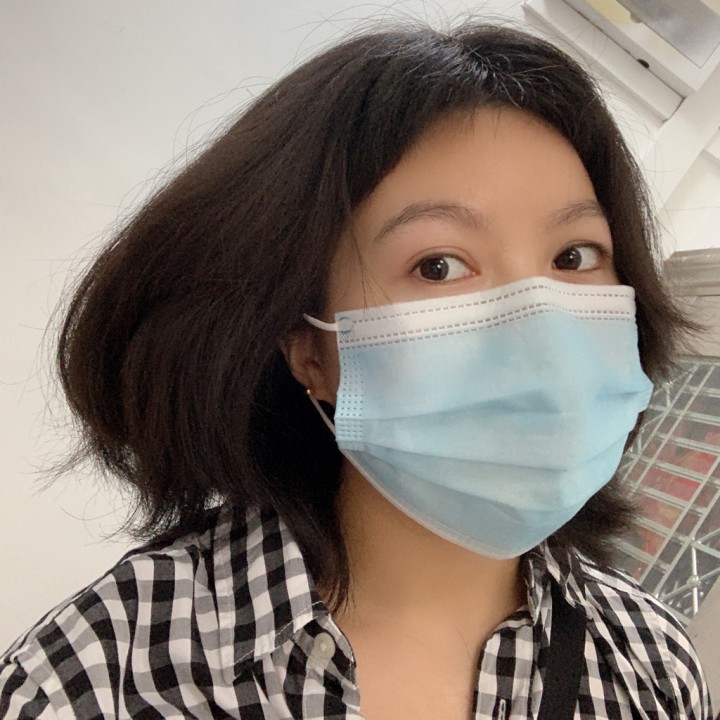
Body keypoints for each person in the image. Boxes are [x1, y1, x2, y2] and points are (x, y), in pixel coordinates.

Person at [0, 20, 713, 720]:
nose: (545, 333)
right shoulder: (104, 679)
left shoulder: (651, 671)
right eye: (439, 265)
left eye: (575, 257)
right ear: (310, 349)